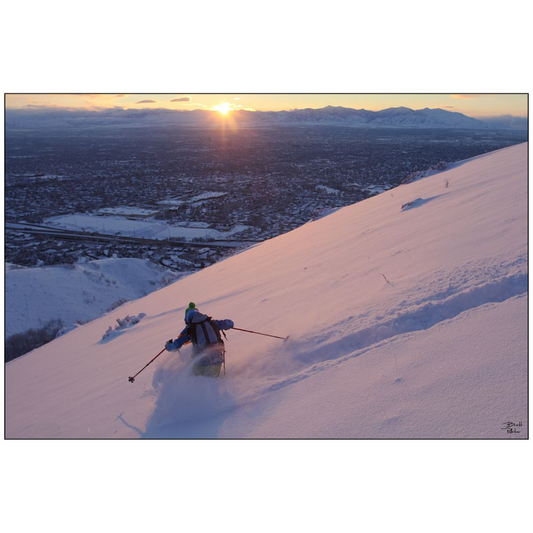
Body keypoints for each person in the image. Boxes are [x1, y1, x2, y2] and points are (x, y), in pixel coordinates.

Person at [165, 302, 234, 378]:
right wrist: (228, 325)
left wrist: (168, 346)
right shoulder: (212, 323)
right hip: (217, 363)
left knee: (188, 367)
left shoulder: (190, 329)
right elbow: (230, 323)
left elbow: (175, 345)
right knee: (214, 379)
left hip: (202, 366)